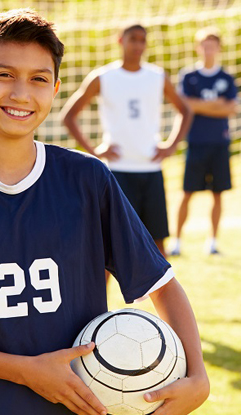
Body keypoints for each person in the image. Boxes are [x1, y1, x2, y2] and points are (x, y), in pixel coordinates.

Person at [0, 9, 209, 415]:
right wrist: (24, 371)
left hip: (79, 410)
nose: (21, 93)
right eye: (4, 75)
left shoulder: (87, 179)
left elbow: (160, 282)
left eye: (38, 79)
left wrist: (198, 375)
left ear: (55, 89)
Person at [61, 24, 192, 257]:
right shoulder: (103, 77)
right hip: (118, 172)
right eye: (133, 39)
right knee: (110, 247)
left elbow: (185, 110)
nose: (138, 45)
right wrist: (95, 150)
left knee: (157, 246)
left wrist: (171, 145)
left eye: (143, 40)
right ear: (120, 40)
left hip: (151, 169)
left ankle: (156, 295)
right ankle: (100, 295)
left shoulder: (157, 76)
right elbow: (69, 116)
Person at [170, 27, 238, 256]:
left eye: (212, 45)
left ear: (219, 48)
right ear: (198, 48)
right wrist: (216, 105)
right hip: (195, 143)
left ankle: (212, 241)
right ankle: (177, 241)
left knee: (218, 194)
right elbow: (185, 105)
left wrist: (201, 105)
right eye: (204, 45)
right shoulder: (189, 76)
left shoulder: (226, 77)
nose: (208, 50)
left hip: (219, 144)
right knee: (187, 192)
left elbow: (232, 108)